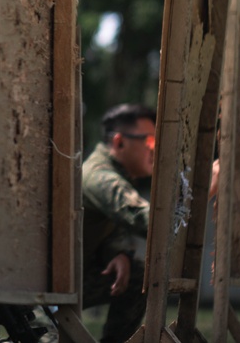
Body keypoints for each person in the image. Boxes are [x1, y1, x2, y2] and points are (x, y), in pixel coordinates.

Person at [81, 103, 156, 343]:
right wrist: (200, 192)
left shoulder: (111, 174)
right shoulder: (101, 177)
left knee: (135, 275)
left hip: (73, 277)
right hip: (46, 292)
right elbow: (147, 222)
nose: (155, 150)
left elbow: (108, 224)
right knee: (139, 278)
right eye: (150, 141)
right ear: (119, 142)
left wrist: (119, 252)